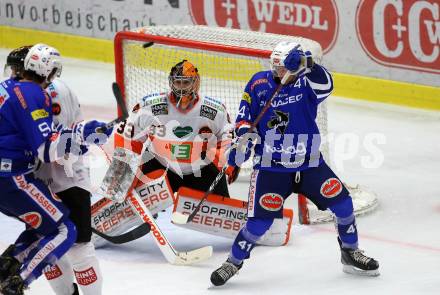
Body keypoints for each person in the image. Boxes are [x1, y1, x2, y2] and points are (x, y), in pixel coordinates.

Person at [210, 41, 380, 286]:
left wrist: (308, 64)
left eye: (283, 68)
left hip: (309, 162)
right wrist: (244, 138)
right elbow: (244, 116)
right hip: (271, 166)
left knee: (343, 205)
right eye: (275, 67)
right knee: (259, 223)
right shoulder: (258, 83)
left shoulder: (307, 81)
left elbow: (327, 84)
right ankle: (232, 263)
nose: (277, 72)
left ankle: (350, 252)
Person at [0, 44, 112, 295]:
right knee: (62, 239)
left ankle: (12, 266)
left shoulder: (27, 91)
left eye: (15, 68)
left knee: (63, 241)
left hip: (51, 177)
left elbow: (59, 139)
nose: (12, 73)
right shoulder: (29, 92)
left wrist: (81, 139)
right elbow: (53, 144)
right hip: (42, 176)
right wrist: (87, 137)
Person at [99, 59, 233, 205]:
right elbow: (129, 138)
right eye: (178, 82)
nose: (181, 87)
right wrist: (121, 175)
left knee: (222, 210)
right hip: (161, 166)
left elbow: (227, 139)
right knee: (121, 194)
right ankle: (118, 201)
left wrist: (227, 162)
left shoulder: (215, 110)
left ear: (196, 82)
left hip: (202, 169)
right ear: (171, 82)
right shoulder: (149, 106)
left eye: (186, 82)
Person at [36, 78, 103, 295]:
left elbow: (72, 129)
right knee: (45, 247)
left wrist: (83, 137)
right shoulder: (16, 93)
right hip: (34, 183)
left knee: (79, 249)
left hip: (69, 179)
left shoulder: (59, 91)